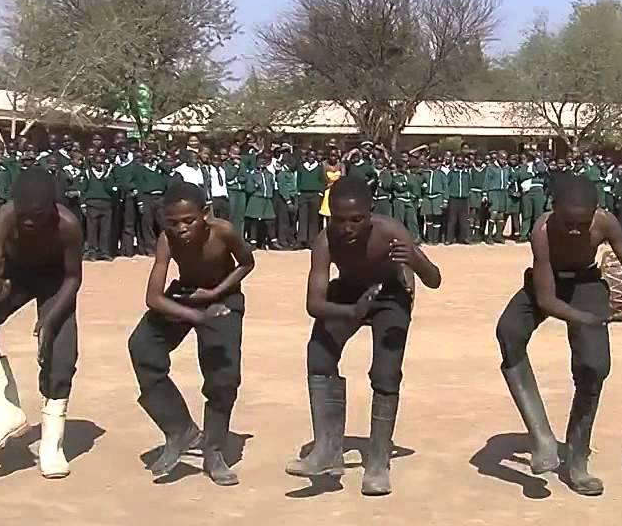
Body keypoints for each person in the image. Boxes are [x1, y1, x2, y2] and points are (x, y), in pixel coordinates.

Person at [284, 177, 441, 495]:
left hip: (390, 296)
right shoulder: (325, 241)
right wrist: (353, 312)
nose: (347, 227)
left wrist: (415, 259)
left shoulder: (390, 232)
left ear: (371, 214)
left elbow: (434, 279)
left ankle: (378, 461)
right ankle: (327, 449)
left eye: (356, 219)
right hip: (349, 293)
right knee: (319, 355)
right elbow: (314, 304)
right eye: (339, 219)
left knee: (385, 373)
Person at [494, 175, 622, 496]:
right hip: (547, 283)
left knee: (594, 366)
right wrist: (586, 318)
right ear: (554, 210)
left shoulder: (605, 224)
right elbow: (547, 300)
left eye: (582, 223)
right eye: (568, 223)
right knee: (508, 332)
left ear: (595, 212)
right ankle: (543, 439)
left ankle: (577, 457)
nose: (576, 230)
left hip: (587, 284)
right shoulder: (542, 231)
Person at [0, 169, 83, 478]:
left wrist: (49, 319)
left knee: (62, 355)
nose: (27, 221)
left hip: (56, 283)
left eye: (36, 215)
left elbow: (73, 277)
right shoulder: (4, 218)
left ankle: (52, 445)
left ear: (52, 207)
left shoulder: (67, 226)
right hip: (16, 277)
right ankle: (3, 412)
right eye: (22, 213)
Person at [127, 182, 255, 486]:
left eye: (189, 221)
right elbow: (154, 298)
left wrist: (215, 292)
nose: (181, 229)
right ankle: (179, 429)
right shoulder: (166, 241)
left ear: (206, 214)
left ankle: (213, 450)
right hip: (186, 295)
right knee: (143, 345)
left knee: (222, 376)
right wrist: (196, 313)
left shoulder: (223, 231)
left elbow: (247, 263)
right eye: (172, 223)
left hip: (223, 298)